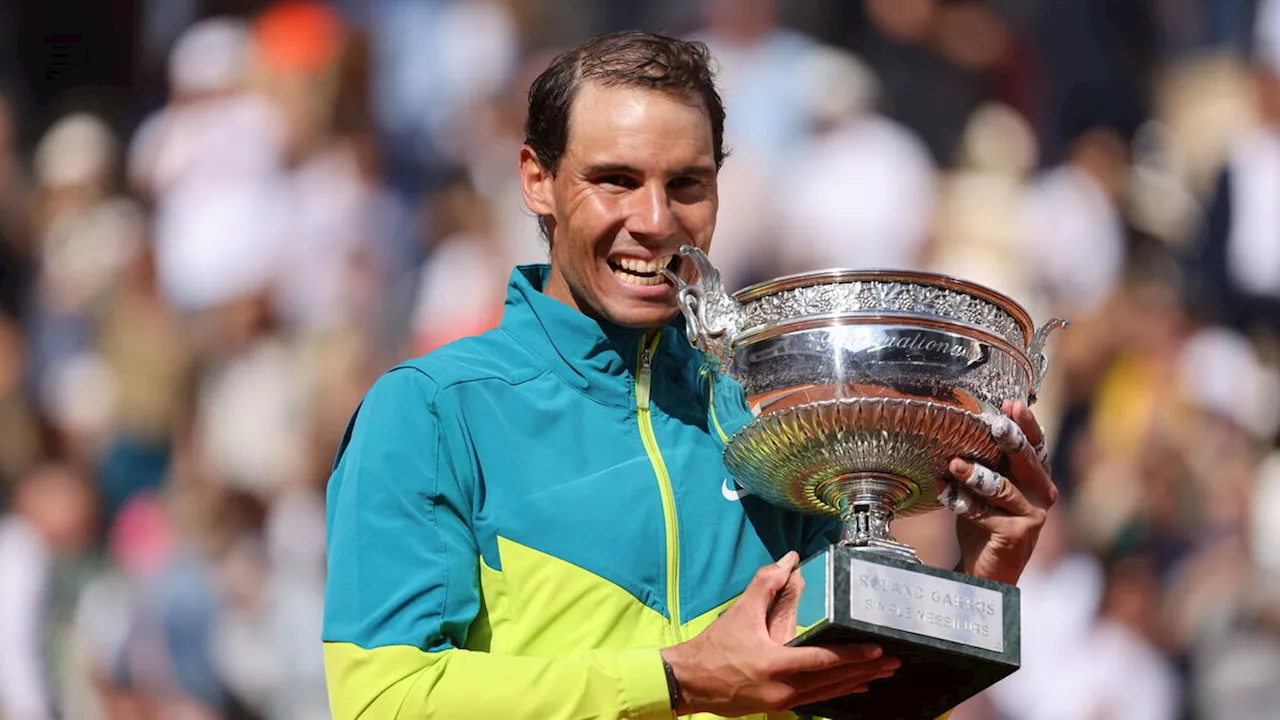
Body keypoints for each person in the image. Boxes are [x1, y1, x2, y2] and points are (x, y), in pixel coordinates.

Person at [321, 31, 1057, 720]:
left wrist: (972, 589)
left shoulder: (772, 417)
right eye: (615, 180)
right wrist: (675, 678)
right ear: (537, 180)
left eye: (686, 184)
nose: (654, 220)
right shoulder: (430, 412)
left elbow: (846, 697)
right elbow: (385, 699)